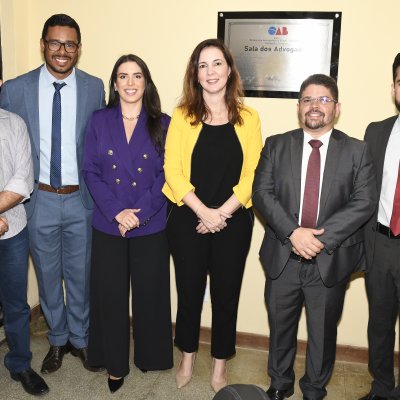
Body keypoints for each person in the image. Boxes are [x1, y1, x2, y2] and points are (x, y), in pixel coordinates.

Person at [252, 74, 377, 400]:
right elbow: (262, 194)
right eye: (308, 99)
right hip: (283, 256)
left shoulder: (357, 151)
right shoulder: (276, 145)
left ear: (336, 108)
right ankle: (279, 384)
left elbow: (363, 202)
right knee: (280, 327)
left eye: (323, 99)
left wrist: (318, 239)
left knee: (323, 333)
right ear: (299, 107)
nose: (315, 106)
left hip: (330, 258)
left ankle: (314, 389)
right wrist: (293, 233)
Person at [0, 14, 105, 374]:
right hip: (37, 200)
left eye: (70, 44)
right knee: (47, 276)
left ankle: (81, 338)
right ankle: (57, 340)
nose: (62, 51)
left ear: (79, 48)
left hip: (81, 199)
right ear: (43, 44)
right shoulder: (15, 90)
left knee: (80, 274)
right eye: (55, 43)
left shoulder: (94, 87)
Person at [163, 38, 262, 393]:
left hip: (233, 222)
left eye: (217, 63)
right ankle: (187, 355)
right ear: (195, 74)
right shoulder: (181, 116)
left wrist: (222, 213)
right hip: (188, 218)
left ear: (229, 69)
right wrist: (204, 211)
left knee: (225, 295)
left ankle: (220, 366)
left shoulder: (248, 118)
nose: (210, 72)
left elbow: (253, 173)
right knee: (189, 293)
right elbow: (172, 170)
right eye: (202, 66)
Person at [83, 54, 173, 393]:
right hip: (109, 223)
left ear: (146, 82)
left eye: (137, 76)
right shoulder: (99, 120)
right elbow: (90, 170)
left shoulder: (164, 122)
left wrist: (139, 214)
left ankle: (150, 356)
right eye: (123, 76)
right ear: (115, 83)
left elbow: (168, 174)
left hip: (150, 223)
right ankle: (114, 365)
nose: (131, 83)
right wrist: (117, 212)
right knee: (110, 295)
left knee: (151, 293)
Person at [359, 53, 400, 400]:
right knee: (380, 323)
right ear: (394, 88)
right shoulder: (376, 132)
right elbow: (363, 192)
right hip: (382, 244)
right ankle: (382, 387)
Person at [0, 108, 49, 396]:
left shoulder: (15, 123)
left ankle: (19, 364)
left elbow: (22, 180)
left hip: (13, 229)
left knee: (16, 303)